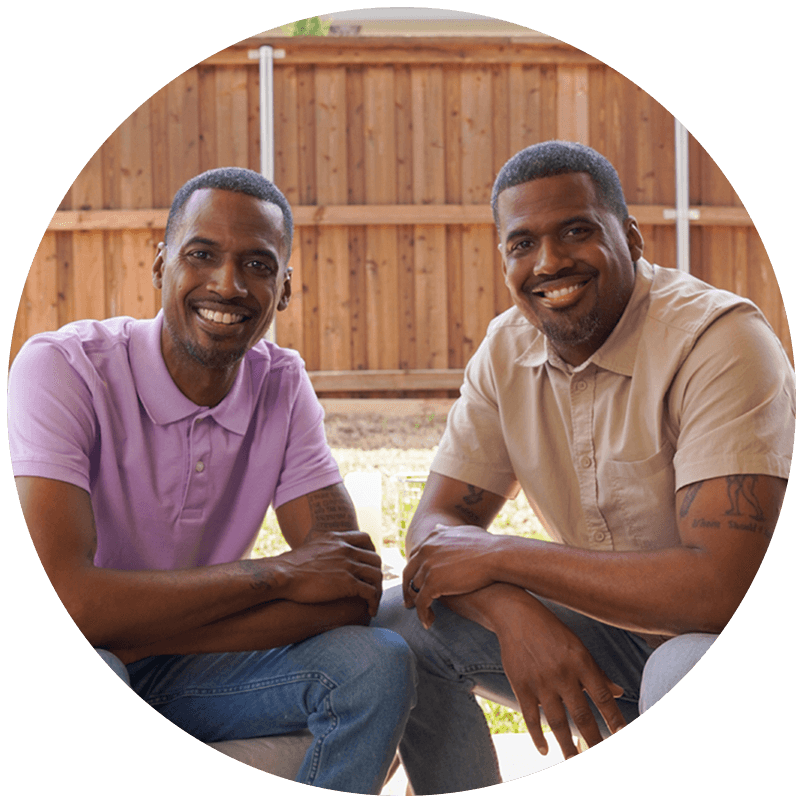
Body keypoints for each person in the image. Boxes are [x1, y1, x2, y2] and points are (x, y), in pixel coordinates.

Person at [374, 141, 795, 793]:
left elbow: (722, 590)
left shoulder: (722, 341)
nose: (549, 262)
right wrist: (515, 615)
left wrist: (506, 559)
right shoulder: (506, 350)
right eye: (522, 244)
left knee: (682, 669)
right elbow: (435, 529)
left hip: (736, 641)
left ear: (631, 238)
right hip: (616, 631)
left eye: (577, 231)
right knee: (399, 624)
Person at [8, 167, 416, 794]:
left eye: (257, 264)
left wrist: (133, 629)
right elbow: (63, 608)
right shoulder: (62, 367)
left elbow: (348, 591)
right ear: (160, 265)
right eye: (202, 255)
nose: (228, 284)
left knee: (377, 663)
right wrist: (275, 574)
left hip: (176, 665)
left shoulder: (281, 384)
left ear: (283, 289)